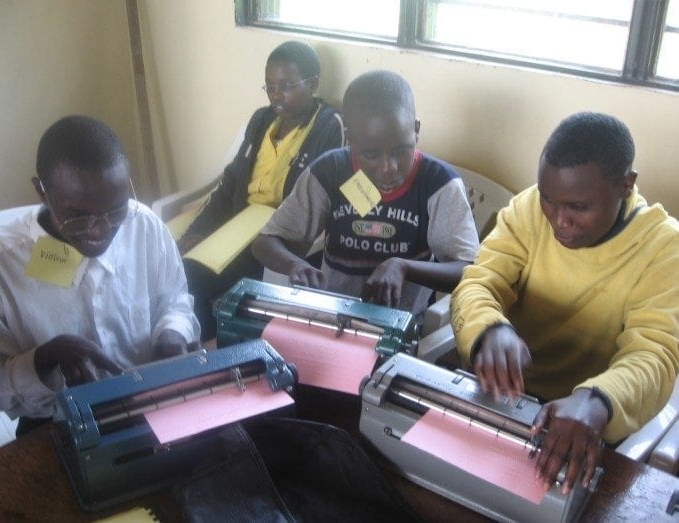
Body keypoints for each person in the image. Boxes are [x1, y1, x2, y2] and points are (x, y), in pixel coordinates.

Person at [450, 112, 679, 494]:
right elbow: (479, 281)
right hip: (503, 398)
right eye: (548, 199)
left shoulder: (664, 247)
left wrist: (596, 401)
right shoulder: (527, 209)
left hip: (584, 423)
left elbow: (655, 355)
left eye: (578, 208)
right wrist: (489, 328)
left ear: (626, 185)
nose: (559, 221)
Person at [0, 115, 200, 436]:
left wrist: (172, 333)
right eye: (76, 216)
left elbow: (175, 300)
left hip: (152, 398)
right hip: (55, 422)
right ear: (42, 191)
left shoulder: (145, 226)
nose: (99, 230)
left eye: (115, 209)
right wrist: (42, 360)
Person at [251, 70, 479, 318]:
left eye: (400, 151)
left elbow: (469, 270)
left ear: (415, 130)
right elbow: (264, 242)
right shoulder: (330, 171)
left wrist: (403, 267)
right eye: (371, 154)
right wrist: (294, 264)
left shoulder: (439, 183)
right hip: (331, 316)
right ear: (350, 139)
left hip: (398, 326)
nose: (388, 167)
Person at [179, 41, 345, 340]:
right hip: (237, 227)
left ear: (314, 83)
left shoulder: (328, 126)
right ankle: (200, 342)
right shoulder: (262, 119)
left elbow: (322, 197)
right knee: (182, 268)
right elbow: (230, 182)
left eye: (287, 85)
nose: (276, 95)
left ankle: (216, 343)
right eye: (269, 85)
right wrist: (199, 230)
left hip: (276, 236)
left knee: (194, 279)